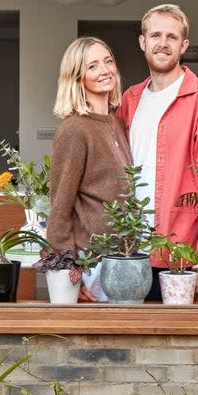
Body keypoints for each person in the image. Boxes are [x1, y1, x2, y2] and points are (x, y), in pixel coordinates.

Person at [117, 4, 198, 302]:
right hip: (129, 250)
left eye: (171, 36)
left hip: (181, 254)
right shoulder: (130, 99)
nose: (162, 43)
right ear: (143, 42)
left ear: (183, 46)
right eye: (155, 35)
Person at [46, 37, 132, 264]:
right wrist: (71, 268)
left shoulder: (117, 123)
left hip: (122, 257)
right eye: (92, 66)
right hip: (90, 261)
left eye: (108, 61)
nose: (105, 71)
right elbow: (59, 207)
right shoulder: (75, 128)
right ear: (77, 78)